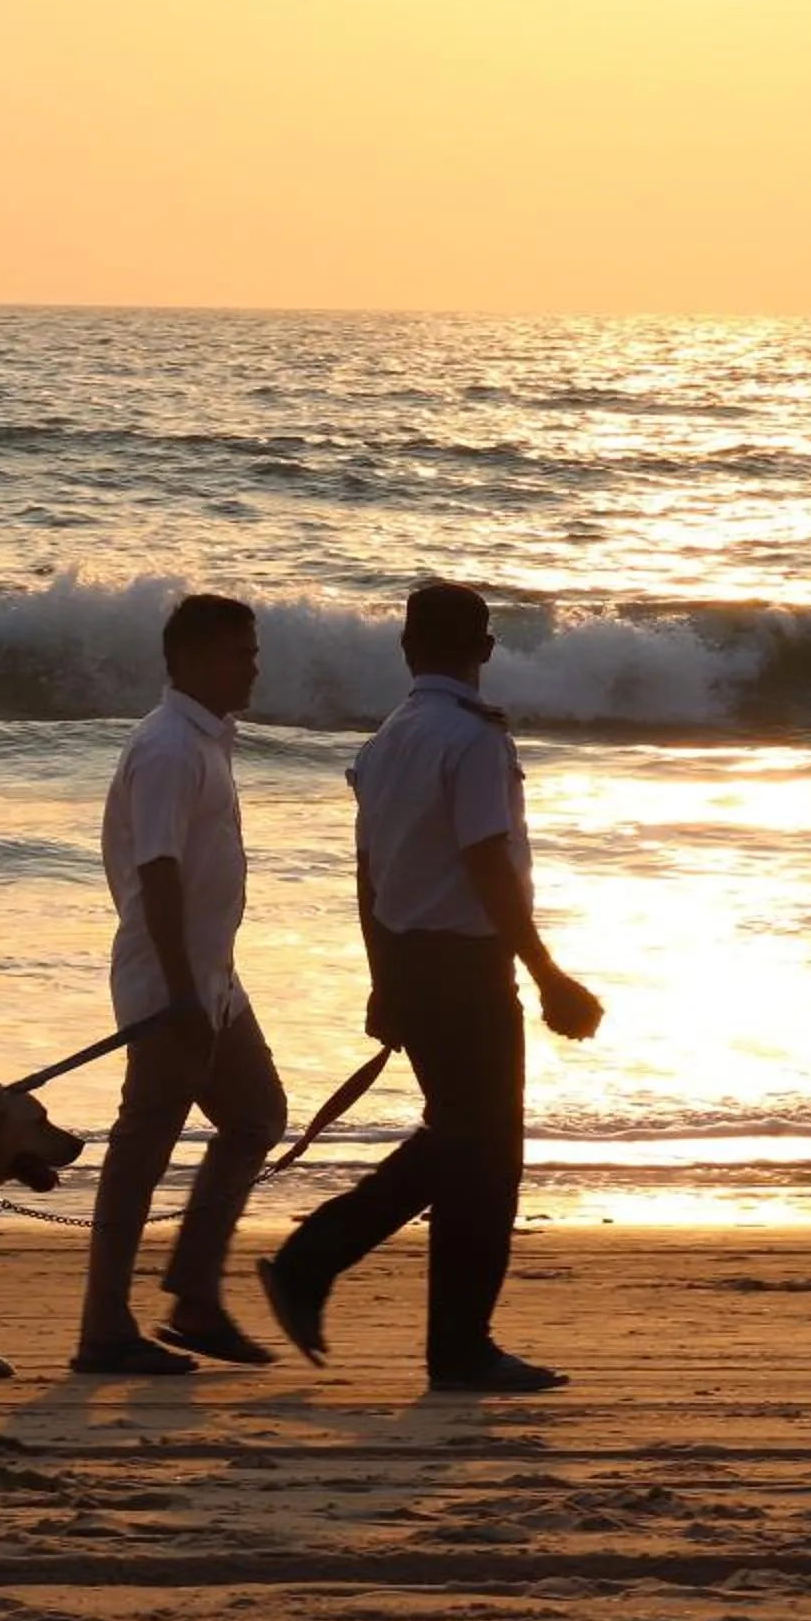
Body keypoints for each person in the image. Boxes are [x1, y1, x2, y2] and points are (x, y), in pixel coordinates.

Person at [258, 583, 600, 1394]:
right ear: (484, 650)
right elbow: (486, 863)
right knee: (485, 1156)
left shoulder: (386, 743)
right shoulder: (472, 741)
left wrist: (385, 980)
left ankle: (377, 1298)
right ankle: (431, 1331)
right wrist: (546, 972)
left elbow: (368, 875)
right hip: (465, 968)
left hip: (412, 959)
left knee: (461, 1145)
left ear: (408, 652)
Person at [73, 593, 288, 1375]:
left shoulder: (206, 741)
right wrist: (177, 990)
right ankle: (103, 1329)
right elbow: (156, 871)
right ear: (195, 660)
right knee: (142, 1150)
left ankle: (195, 1294)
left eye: (253, 651)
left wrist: (207, 983)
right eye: (242, 653)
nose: (254, 666)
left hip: (211, 980)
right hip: (174, 985)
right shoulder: (168, 747)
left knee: (258, 1112)